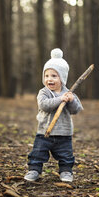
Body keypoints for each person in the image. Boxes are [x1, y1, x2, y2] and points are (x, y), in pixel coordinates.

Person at [24, 48, 83, 182]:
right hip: (44, 132)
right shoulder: (43, 92)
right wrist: (60, 99)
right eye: (47, 76)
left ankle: (66, 171)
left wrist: (71, 100)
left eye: (54, 76)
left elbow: (76, 110)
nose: (49, 79)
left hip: (64, 133)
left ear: (62, 78)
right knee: (37, 153)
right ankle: (34, 170)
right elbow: (44, 105)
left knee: (66, 155)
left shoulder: (69, 93)